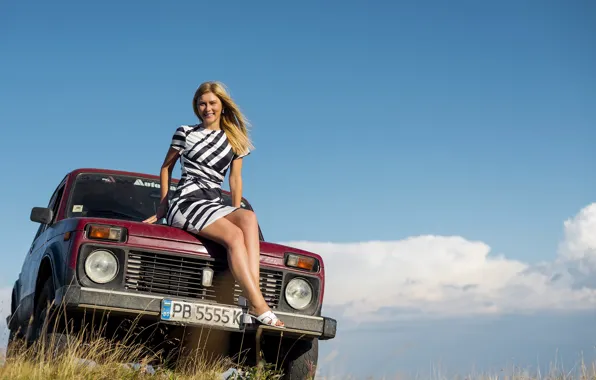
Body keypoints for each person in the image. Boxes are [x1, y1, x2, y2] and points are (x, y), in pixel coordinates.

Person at [143, 81, 284, 328]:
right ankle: (258, 304)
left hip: (213, 203)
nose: (207, 108)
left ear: (222, 105)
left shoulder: (234, 139)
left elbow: (235, 178)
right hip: (187, 201)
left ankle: (252, 296)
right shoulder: (185, 132)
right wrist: (162, 207)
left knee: (249, 218)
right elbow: (166, 167)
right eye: (202, 103)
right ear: (196, 107)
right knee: (233, 236)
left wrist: (236, 209)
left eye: (212, 103)